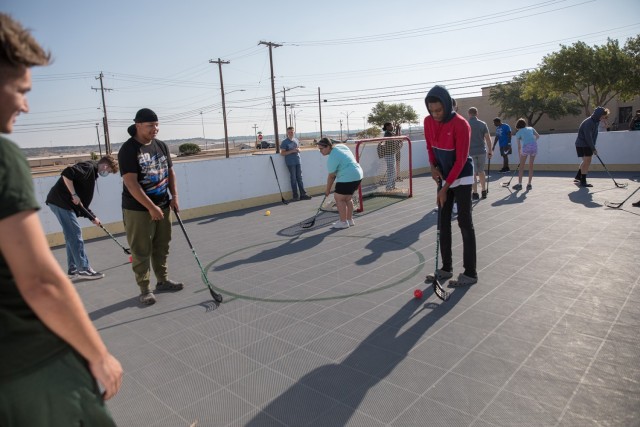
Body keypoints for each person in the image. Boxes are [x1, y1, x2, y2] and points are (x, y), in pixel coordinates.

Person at [0, 13, 122, 425]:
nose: (26, 104)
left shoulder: (93, 177)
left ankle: (79, 263)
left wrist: (86, 210)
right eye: (20, 89)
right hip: (30, 365)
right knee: (73, 238)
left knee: (76, 231)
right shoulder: (8, 158)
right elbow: (39, 282)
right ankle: (80, 268)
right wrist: (98, 354)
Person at [119, 108, 185, 305]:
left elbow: (170, 172)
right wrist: (150, 208)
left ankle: (163, 281)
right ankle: (145, 288)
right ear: (138, 126)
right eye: (150, 125)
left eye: (156, 125)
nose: (155, 129)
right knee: (141, 249)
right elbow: (131, 183)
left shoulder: (161, 146)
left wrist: (174, 196)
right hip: (138, 210)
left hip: (163, 205)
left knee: (162, 245)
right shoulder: (129, 150)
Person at [424, 85, 477, 287]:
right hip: (443, 177)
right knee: (442, 223)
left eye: (439, 110)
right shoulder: (428, 121)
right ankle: (446, 269)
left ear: (447, 105)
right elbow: (430, 147)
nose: (436, 114)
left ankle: (470, 273)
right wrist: (433, 167)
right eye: (432, 111)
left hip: (461, 177)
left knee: (464, 223)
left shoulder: (461, 124)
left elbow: (461, 160)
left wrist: (446, 188)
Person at [46, 155, 119, 280]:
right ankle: (83, 269)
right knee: (75, 234)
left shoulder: (91, 172)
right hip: (61, 203)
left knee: (71, 236)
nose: (107, 173)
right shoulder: (88, 167)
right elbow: (67, 173)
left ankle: (73, 269)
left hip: (61, 203)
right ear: (106, 166)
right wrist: (73, 194)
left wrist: (92, 217)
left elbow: (81, 204)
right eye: (109, 171)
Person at [317, 138, 363, 229]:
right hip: (358, 175)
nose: (320, 151)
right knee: (347, 198)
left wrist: (327, 190)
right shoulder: (341, 147)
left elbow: (331, 177)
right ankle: (349, 220)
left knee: (339, 198)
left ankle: (343, 222)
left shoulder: (331, 158)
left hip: (347, 177)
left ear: (328, 147)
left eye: (321, 149)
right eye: (319, 149)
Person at [573, 107, 609, 187]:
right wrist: (593, 148)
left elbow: (592, 137)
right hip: (584, 144)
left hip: (584, 144)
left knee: (585, 161)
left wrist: (593, 147)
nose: (603, 118)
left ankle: (578, 176)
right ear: (598, 115)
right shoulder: (589, 122)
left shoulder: (595, 121)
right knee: (587, 161)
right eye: (603, 116)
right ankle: (583, 181)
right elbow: (588, 137)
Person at [467, 107, 493, 200]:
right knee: (481, 171)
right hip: (481, 151)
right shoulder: (483, 124)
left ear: (469, 114)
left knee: (473, 173)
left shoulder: (466, 124)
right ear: (477, 113)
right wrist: (490, 150)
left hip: (470, 152)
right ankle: (484, 190)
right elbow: (488, 138)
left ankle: (475, 192)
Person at [280, 126, 311, 201]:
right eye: (289, 132)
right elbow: (282, 153)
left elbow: (299, 148)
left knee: (299, 178)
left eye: (292, 132)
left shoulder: (296, 140)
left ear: (294, 132)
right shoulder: (284, 142)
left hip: (298, 161)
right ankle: (295, 195)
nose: (291, 133)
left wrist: (298, 149)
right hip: (290, 162)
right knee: (293, 178)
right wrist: (292, 151)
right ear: (287, 133)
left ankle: (303, 194)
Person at [511, 118, 540, 191]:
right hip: (534, 146)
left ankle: (520, 184)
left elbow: (519, 146)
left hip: (526, 148)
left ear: (518, 125)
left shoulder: (518, 133)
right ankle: (529, 184)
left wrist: (519, 155)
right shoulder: (531, 128)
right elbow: (538, 136)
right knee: (531, 166)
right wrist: (533, 141)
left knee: (521, 167)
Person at [379, 122, 402, 190]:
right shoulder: (387, 133)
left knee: (393, 171)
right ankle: (388, 187)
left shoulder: (390, 132)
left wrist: (398, 129)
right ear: (387, 127)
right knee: (391, 171)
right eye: (391, 126)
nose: (392, 127)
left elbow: (398, 137)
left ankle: (392, 186)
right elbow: (396, 137)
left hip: (391, 153)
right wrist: (397, 129)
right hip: (388, 154)